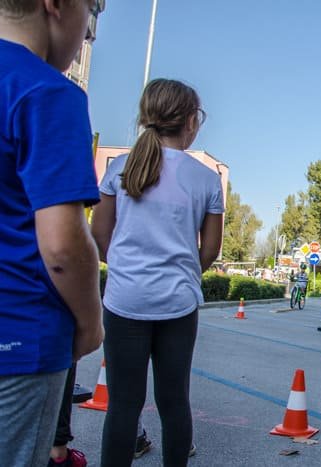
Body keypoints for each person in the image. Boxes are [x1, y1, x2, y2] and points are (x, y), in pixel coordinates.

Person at [91, 79, 224, 466]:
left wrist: (127, 269)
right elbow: (210, 250)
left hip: (124, 300)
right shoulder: (206, 179)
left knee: (123, 406)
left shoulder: (120, 169)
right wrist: (184, 273)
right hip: (178, 304)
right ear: (190, 121)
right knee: (174, 401)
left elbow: (100, 235)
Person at [0, 2, 105, 466]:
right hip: (19, 339)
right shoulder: (47, 91)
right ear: (56, 4)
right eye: (92, 9)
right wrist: (91, 322)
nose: (88, 32)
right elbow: (63, 245)